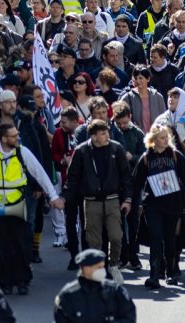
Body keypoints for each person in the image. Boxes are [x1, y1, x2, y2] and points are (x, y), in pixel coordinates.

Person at [0, 122, 64, 295]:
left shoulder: (23, 152)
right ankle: (5, 280)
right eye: (14, 136)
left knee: (22, 242)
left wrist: (53, 196)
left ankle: (23, 279)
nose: (18, 138)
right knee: (2, 244)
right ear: (3, 138)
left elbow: (39, 173)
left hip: (19, 203)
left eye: (17, 134)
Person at [61, 118, 133, 285]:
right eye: (102, 133)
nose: (107, 135)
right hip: (91, 201)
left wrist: (128, 200)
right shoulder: (81, 151)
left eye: (107, 131)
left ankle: (113, 265)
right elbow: (72, 179)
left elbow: (126, 177)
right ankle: (97, 272)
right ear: (93, 136)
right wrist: (64, 198)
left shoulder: (116, 148)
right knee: (94, 242)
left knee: (116, 237)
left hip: (112, 200)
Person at [131, 124, 185, 288]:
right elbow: (136, 183)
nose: (165, 140)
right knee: (156, 238)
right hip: (153, 204)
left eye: (166, 137)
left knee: (170, 238)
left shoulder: (176, 156)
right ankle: (154, 275)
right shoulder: (146, 158)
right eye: (162, 137)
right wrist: (132, 201)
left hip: (174, 203)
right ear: (153, 139)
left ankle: (171, 272)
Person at [53, 248, 136, 323]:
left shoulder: (115, 290)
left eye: (102, 267)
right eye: (98, 267)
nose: (102, 270)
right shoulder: (68, 294)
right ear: (85, 268)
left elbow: (129, 317)